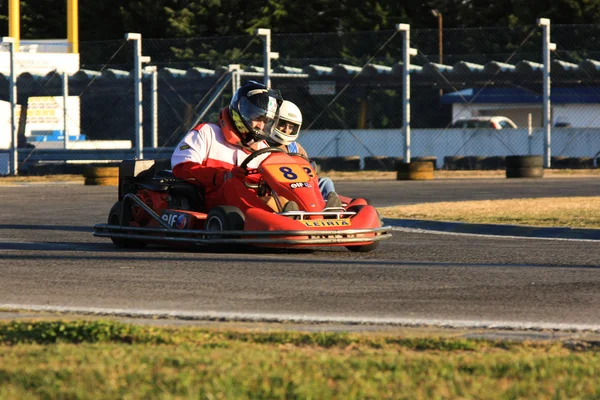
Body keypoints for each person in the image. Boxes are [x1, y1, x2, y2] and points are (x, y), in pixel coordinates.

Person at [171, 80, 299, 213]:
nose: (260, 126)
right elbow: (181, 168)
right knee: (232, 185)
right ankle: (271, 222)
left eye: (266, 121)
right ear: (242, 110)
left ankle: (306, 220)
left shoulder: (264, 150)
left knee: (284, 195)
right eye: (257, 117)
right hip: (210, 205)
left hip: (248, 207)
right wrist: (223, 176)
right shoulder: (207, 133)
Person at [266, 99, 342, 208]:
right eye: (282, 124)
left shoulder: (295, 148)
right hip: (278, 186)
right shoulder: (263, 144)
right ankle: (289, 209)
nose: (286, 130)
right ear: (273, 122)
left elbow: (308, 169)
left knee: (326, 182)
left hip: (300, 184)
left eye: (291, 127)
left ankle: (329, 209)